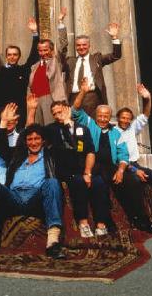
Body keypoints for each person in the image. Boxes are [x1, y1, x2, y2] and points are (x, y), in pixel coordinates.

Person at [72, 78, 152, 234]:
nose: (103, 118)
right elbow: (75, 110)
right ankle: (108, 223)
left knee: (132, 181)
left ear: (110, 117)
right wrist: (83, 91)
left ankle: (142, 221)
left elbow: (123, 154)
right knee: (101, 185)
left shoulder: (115, 133)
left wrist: (120, 171)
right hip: (94, 166)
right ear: (96, 115)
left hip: (112, 167)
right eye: (100, 115)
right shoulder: (90, 124)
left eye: (106, 116)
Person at [0, 124, 65, 259]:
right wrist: (3, 123)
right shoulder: (17, 156)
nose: (33, 142)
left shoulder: (51, 156)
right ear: (25, 142)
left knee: (52, 182)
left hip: (35, 197)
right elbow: (0, 146)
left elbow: (68, 150)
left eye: (37, 139)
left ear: (43, 140)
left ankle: (53, 243)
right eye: (30, 139)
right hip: (13, 197)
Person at [39, 98, 111, 238]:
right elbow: (71, 149)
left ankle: (101, 224)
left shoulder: (82, 128)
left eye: (60, 111)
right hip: (67, 170)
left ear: (67, 110)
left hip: (83, 168)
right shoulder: (51, 129)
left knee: (100, 183)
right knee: (78, 182)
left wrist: (88, 172)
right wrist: (66, 125)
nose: (57, 115)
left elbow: (90, 151)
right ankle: (83, 223)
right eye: (54, 113)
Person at [116, 84, 152, 225]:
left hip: (135, 164)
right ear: (118, 118)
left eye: (128, 118)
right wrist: (134, 170)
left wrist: (147, 98)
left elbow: (145, 114)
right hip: (123, 166)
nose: (125, 120)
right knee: (136, 182)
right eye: (123, 118)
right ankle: (137, 218)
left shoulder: (132, 128)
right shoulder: (113, 132)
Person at [0, 18, 39, 128]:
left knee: (18, 137)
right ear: (6, 56)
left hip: (19, 110)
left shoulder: (23, 70)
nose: (12, 57)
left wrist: (35, 33)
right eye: (9, 54)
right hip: (1, 111)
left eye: (15, 54)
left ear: (19, 56)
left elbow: (33, 56)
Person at [64, 21, 121, 118]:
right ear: (75, 47)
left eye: (84, 45)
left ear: (89, 46)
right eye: (78, 45)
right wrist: (61, 25)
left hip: (92, 99)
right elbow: (61, 52)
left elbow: (116, 56)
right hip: (74, 98)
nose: (81, 47)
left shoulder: (96, 59)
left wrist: (114, 38)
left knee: (93, 129)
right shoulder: (70, 61)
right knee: (76, 129)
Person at [27, 8, 68, 125]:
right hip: (35, 101)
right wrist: (34, 32)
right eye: (40, 51)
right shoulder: (34, 66)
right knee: (38, 130)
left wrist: (60, 22)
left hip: (51, 98)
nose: (43, 53)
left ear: (51, 50)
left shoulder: (56, 61)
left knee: (52, 128)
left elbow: (63, 44)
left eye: (45, 50)